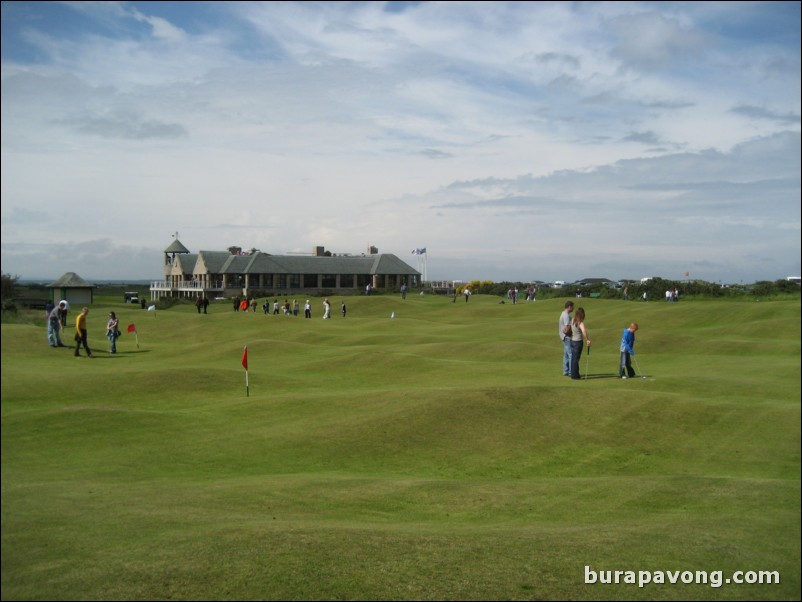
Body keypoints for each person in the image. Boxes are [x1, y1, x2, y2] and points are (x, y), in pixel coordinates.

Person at [569, 307, 591, 380]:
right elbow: (584, 332)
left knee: (573, 359)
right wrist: (587, 340)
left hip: (572, 341)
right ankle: (574, 376)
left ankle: (575, 374)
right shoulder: (580, 323)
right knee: (576, 359)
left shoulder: (572, 320)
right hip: (578, 342)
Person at [558, 301, 574, 376]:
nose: (573, 308)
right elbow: (566, 329)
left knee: (566, 354)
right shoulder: (566, 315)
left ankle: (566, 371)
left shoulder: (563, 313)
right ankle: (571, 372)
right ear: (569, 307)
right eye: (572, 306)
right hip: (567, 337)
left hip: (563, 336)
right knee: (571, 354)